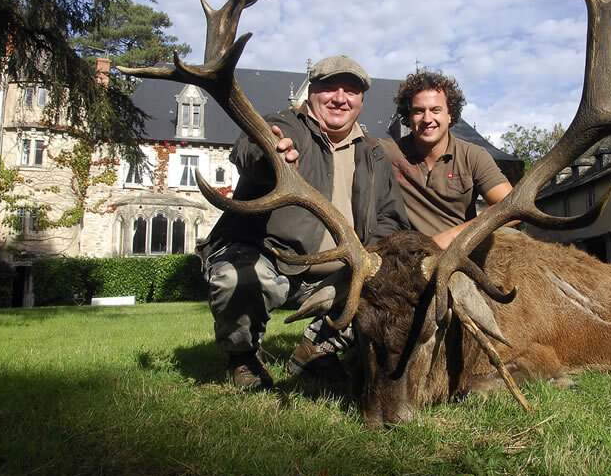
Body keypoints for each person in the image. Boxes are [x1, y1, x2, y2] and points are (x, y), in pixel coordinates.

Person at [198, 55, 410, 390]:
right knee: (235, 279)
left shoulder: (375, 154)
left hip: (339, 275)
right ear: (311, 92)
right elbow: (250, 147)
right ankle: (243, 356)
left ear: (361, 100)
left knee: (395, 285)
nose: (340, 98)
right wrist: (271, 154)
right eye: (329, 87)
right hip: (273, 260)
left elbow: (392, 218)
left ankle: (317, 349)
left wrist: (366, 259)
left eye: (351, 90)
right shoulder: (288, 124)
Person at [380, 69, 514, 249]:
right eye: (419, 111)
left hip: (461, 255)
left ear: (450, 114)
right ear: (408, 117)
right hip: (408, 259)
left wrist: (447, 238)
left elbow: (512, 207)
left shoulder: (472, 155)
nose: (428, 119)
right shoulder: (388, 152)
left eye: (436, 110)